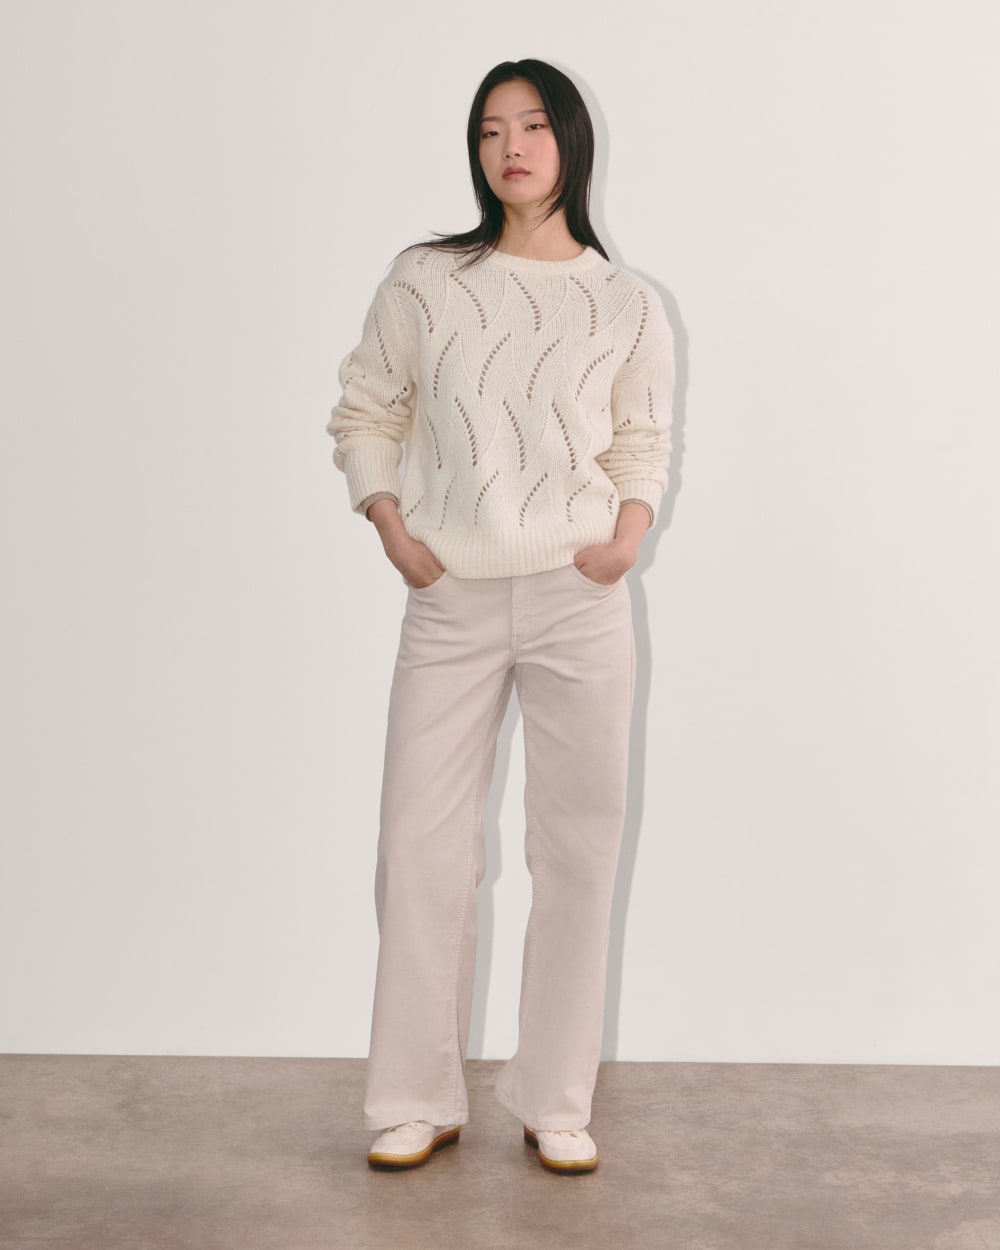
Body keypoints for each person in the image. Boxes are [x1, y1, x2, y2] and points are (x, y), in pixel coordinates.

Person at [327, 57, 675, 1175]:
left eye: (531, 126)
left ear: (572, 139)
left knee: (578, 850)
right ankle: (414, 1095)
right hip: (452, 596)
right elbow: (367, 407)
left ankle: (554, 1097)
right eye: (489, 130)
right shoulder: (427, 278)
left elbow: (642, 439)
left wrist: (626, 536)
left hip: (583, 597)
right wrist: (391, 524)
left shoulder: (625, 301)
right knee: (419, 847)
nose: (510, 148)